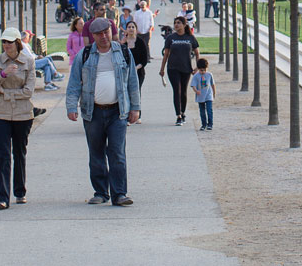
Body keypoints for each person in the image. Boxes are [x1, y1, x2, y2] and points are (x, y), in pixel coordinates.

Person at [63, 17, 141, 206]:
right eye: (99, 34)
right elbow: (74, 82)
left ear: (111, 31)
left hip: (117, 111)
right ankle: (100, 192)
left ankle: (119, 193)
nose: (104, 36)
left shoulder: (122, 52)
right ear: (93, 36)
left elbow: (132, 81)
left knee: (117, 153)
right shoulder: (86, 54)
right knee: (96, 152)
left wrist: (135, 108)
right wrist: (71, 107)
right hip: (93, 112)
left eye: (106, 32)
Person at [0, 29, 37, 209]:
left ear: (17, 42)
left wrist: (5, 93)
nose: (6, 45)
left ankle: (20, 190)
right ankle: (3, 197)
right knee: (3, 155)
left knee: (19, 152)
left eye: (9, 42)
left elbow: (29, 90)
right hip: (0, 113)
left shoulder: (28, 61)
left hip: (22, 114)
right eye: (4, 42)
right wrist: (2, 75)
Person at [159, 15, 201, 125]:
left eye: (179, 23)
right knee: (176, 90)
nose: (176, 25)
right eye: (175, 23)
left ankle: (183, 112)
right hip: (173, 68)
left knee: (183, 92)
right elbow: (166, 54)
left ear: (184, 24)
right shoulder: (170, 38)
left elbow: (197, 53)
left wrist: (197, 67)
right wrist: (162, 68)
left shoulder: (190, 38)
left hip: (186, 68)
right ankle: (178, 115)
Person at [122, 21, 150, 93]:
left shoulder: (140, 42)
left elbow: (144, 59)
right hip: (125, 73)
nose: (131, 29)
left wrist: (135, 68)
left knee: (136, 92)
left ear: (136, 30)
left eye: (133, 27)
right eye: (129, 27)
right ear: (126, 29)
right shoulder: (123, 43)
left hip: (138, 72)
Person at [191, 58, 216, 130]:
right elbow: (193, 85)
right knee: (202, 111)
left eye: (204, 70)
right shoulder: (196, 76)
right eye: (201, 70)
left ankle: (210, 124)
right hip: (200, 96)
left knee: (209, 110)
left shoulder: (209, 75)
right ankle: (204, 124)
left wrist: (214, 93)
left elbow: (212, 84)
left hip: (208, 95)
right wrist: (196, 91)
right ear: (198, 69)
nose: (203, 72)